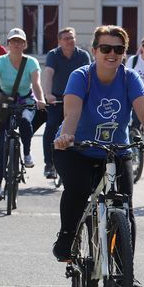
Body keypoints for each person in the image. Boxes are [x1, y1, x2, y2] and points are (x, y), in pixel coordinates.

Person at [52, 25, 144, 264]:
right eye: (105, 48)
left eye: (118, 49)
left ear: (124, 53)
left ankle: (123, 271)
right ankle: (67, 238)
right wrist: (66, 136)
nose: (112, 54)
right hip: (76, 148)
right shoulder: (81, 77)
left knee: (124, 207)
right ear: (95, 51)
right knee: (78, 190)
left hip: (116, 151)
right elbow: (72, 113)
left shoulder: (130, 78)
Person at [0, 28, 45, 201]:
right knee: (3, 143)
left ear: (24, 44)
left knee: (25, 120)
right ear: (8, 44)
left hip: (25, 100)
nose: (16, 44)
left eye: (19, 41)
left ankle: (28, 153)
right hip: (5, 101)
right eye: (13, 41)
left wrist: (41, 99)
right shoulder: (0, 61)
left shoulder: (31, 62)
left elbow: (36, 84)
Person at [41, 27, 91, 180]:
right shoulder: (53, 55)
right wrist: (47, 94)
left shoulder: (83, 55)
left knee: (81, 128)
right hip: (56, 97)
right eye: (66, 38)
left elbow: (89, 76)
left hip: (77, 97)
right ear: (59, 41)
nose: (69, 41)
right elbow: (48, 73)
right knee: (51, 125)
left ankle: (81, 161)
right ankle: (49, 163)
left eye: (72, 38)